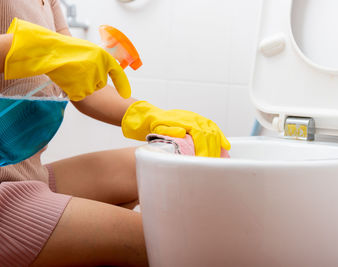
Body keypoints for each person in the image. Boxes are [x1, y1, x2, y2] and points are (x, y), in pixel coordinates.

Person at [0, 1, 230, 266]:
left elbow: (81, 85)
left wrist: (150, 116)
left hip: (28, 175)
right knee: (175, 245)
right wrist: (21, 48)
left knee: (174, 164)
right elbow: (44, 52)